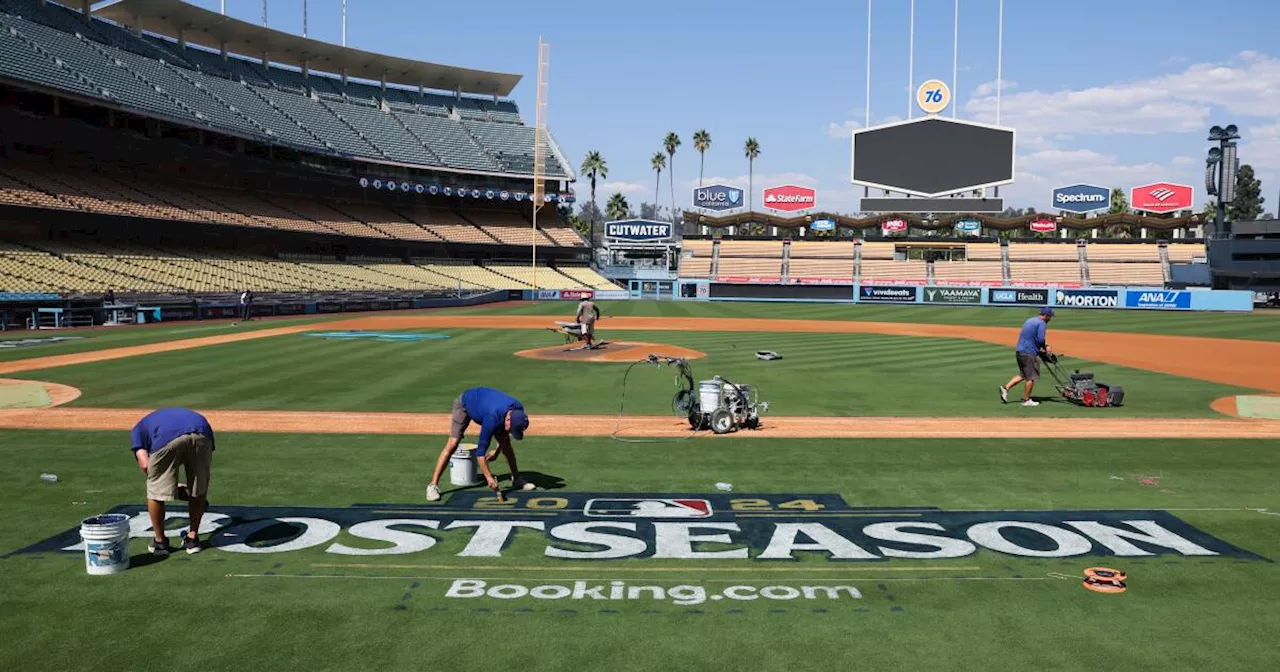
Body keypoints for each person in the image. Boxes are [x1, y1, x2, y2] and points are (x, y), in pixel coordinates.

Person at [130, 407, 215, 555]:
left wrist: (166, 485)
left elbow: (145, 465)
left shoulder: (137, 431)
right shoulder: (154, 420)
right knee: (198, 486)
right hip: (203, 432)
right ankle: (192, 539)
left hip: (167, 437)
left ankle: (160, 541)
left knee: (155, 491)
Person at [426, 387, 533, 502]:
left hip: (485, 405)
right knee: (453, 443)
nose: (511, 432)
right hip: (465, 403)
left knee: (506, 444)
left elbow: (504, 436)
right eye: (511, 429)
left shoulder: (518, 410)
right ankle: (432, 486)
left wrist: (496, 452)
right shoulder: (492, 418)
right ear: (507, 420)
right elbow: (480, 453)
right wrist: (489, 478)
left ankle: (516, 478)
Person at [1000, 307, 1054, 407]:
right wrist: (1045, 347)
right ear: (1046, 316)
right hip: (1029, 352)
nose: (1050, 319)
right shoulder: (1042, 323)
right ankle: (1026, 400)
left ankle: (1005, 388)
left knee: (1023, 375)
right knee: (1031, 377)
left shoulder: (1030, 320)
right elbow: (1041, 339)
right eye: (1050, 317)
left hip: (1020, 351)